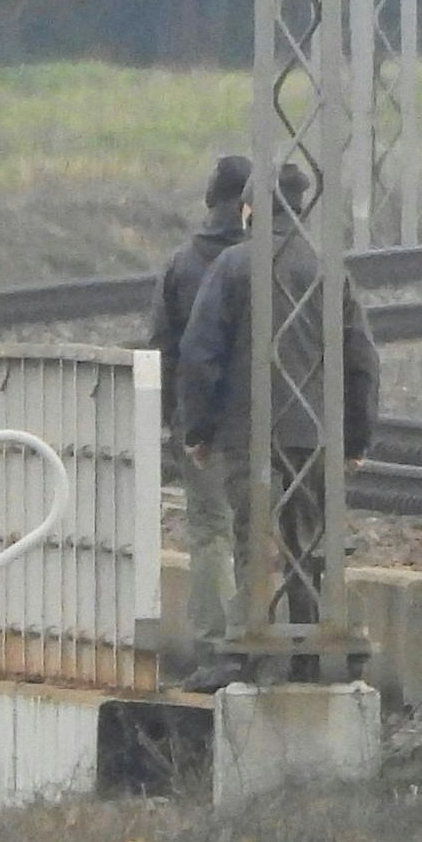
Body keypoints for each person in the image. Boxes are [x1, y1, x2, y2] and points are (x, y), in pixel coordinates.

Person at [173, 161, 381, 682]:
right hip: (316, 435)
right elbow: (361, 361)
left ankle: (253, 659)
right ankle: (311, 663)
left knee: (254, 541)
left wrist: (195, 430)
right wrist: (356, 437)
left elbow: (200, 354)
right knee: (307, 545)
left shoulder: (233, 266)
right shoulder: (330, 270)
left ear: (250, 209)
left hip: (249, 435)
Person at [148, 155, 253, 680]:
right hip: (265, 422)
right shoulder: (270, 261)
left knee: (211, 530)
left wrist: (180, 422)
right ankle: (262, 639)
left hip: (202, 429)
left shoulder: (182, 263)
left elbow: (164, 349)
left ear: (212, 202)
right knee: (263, 527)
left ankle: (216, 645)